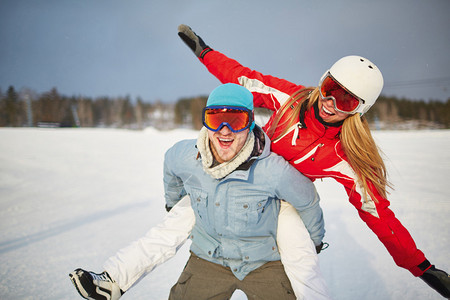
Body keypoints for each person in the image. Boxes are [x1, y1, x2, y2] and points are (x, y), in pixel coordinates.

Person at [174, 24, 450, 299]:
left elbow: (378, 214)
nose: (330, 102)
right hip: (239, 179)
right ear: (323, 79)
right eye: (330, 88)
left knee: (300, 275)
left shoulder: (345, 155)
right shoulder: (291, 99)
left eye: (346, 100)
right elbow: (244, 79)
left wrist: (421, 267)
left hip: (281, 205)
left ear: (359, 109)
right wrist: (205, 52)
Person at [69, 83, 331, 300]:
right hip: (209, 258)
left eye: (236, 120)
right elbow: (170, 169)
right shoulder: (184, 155)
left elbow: (308, 201)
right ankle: (112, 280)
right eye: (215, 119)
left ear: (250, 123)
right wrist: (174, 204)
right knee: (170, 226)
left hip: (264, 261)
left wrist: (315, 240)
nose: (224, 130)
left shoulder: (274, 170)